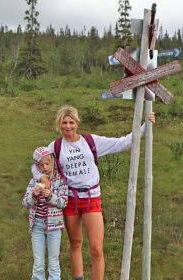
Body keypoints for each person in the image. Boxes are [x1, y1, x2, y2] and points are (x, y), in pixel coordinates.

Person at [32, 106, 155, 280]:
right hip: (70, 199)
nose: (68, 126)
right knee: (75, 243)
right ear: (59, 125)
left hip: (91, 198)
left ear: (77, 123)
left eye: (71, 122)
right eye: (64, 123)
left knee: (96, 249)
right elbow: (36, 164)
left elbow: (123, 142)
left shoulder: (90, 141)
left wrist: (145, 126)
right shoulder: (56, 146)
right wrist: (43, 179)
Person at [22, 147, 68, 280]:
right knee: (38, 263)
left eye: (47, 163)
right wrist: (33, 196)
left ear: (52, 162)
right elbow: (25, 203)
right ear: (38, 167)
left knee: (54, 261)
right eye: (41, 165)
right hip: (37, 225)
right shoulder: (34, 182)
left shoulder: (60, 181)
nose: (45, 167)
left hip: (55, 226)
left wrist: (50, 197)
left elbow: (63, 203)